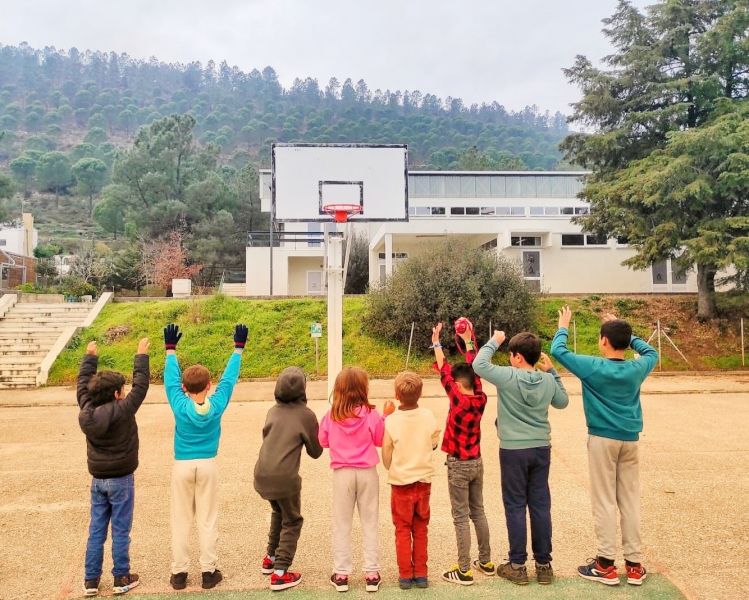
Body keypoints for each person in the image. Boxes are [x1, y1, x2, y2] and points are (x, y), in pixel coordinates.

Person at [551, 307, 657, 587]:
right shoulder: (636, 368)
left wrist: (563, 325)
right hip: (630, 438)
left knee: (604, 501)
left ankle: (606, 564)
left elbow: (558, 351)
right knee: (629, 500)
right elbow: (652, 353)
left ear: (603, 341)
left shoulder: (593, 367)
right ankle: (634, 565)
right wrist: (627, 333)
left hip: (602, 439)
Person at [473, 330, 568, 585]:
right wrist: (552, 372)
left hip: (513, 450)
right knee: (539, 504)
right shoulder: (547, 380)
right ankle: (544, 564)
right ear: (536, 357)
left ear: (516, 357)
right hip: (541, 448)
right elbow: (562, 402)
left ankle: (517, 564)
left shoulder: (508, 377)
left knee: (515, 504)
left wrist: (495, 340)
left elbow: (479, 364)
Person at [164, 323, 247, 591]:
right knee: (207, 519)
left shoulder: (179, 403)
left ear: (185, 388)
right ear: (209, 385)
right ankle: (208, 572)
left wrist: (170, 351)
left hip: (182, 465)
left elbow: (169, 381)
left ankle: (179, 574)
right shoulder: (218, 403)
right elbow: (229, 380)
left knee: (181, 518)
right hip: (208, 464)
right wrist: (238, 349)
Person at [77, 337, 150, 597]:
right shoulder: (124, 410)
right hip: (122, 479)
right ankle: (121, 576)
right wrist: (141, 355)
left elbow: (82, 388)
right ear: (117, 393)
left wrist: (90, 357)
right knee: (120, 529)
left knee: (96, 528)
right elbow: (141, 386)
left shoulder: (86, 411)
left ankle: (91, 580)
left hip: (98, 479)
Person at [318, 367, 395, 593]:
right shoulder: (371, 414)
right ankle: (371, 573)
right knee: (370, 522)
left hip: (342, 472)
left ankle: (341, 574)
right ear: (363, 388)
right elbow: (380, 439)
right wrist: (385, 416)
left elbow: (323, 441)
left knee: (342, 523)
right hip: (367, 472)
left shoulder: (332, 414)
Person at [430, 322, 494, 587]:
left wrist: (436, 342)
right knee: (478, 511)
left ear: (456, 385)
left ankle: (465, 569)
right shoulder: (480, 398)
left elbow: (443, 368)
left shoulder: (457, 398)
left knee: (460, 516)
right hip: (476, 462)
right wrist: (469, 341)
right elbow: (475, 371)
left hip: (458, 464)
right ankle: (486, 561)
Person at [253, 366, 323, 591]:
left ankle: (271, 557)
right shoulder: (307, 415)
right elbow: (315, 451)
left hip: (262, 473)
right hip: (285, 478)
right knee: (292, 520)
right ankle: (281, 572)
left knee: (278, 511)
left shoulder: (272, 411)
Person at [381, 371, 440, 590]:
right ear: (420, 393)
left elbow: (386, 451)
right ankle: (422, 574)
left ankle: (405, 574)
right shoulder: (427, 416)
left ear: (397, 395)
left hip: (400, 481)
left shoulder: (392, 420)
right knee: (421, 528)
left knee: (402, 529)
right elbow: (434, 441)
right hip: (423, 480)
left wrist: (391, 466)